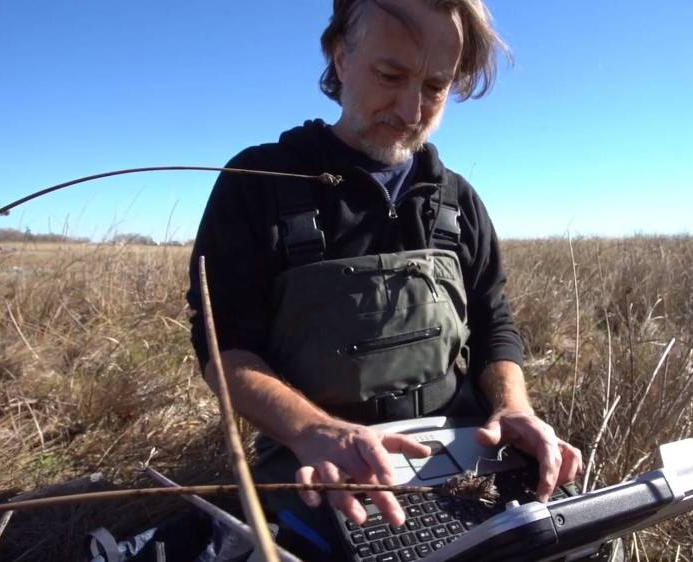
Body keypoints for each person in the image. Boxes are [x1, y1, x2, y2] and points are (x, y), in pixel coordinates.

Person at [186, 0, 584, 556]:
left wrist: (512, 409)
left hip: (464, 450)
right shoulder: (257, 183)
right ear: (340, 56)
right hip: (320, 464)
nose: (409, 108)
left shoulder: (459, 201)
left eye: (435, 86)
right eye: (390, 75)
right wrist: (312, 431)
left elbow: (494, 324)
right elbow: (224, 349)